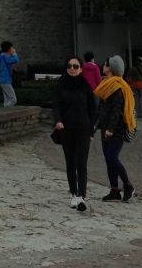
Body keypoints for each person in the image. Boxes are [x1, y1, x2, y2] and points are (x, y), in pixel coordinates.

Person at [52, 56, 99, 212]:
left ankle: (81, 195)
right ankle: (73, 193)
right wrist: (58, 120)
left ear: (81, 69)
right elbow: (56, 105)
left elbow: (92, 110)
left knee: (82, 163)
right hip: (66, 129)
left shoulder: (85, 86)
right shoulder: (61, 85)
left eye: (75, 66)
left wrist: (91, 131)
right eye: (69, 66)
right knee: (70, 163)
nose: (72, 68)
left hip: (83, 129)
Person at [95, 56, 136, 202]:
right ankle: (114, 189)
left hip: (116, 128)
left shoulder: (117, 86)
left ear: (110, 68)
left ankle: (128, 185)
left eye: (105, 64)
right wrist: (95, 124)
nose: (103, 66)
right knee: (108, 159)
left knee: (113, 158)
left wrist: (111, 129)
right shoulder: (105, 84)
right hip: (105, 127)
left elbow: (117, 110)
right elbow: (101, 108)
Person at [0, 41, 20, 106]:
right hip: (6, 80)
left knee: (7, 99)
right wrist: (14, 53)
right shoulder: (6, 57)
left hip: (3, 80)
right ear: (8, 49)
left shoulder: (3, 56)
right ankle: (6, 109)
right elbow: (16, 60)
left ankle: (5, 109)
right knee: (13, 99)